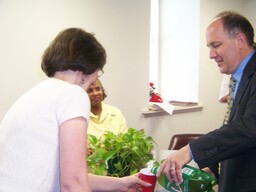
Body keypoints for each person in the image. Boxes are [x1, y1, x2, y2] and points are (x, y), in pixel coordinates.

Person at [0, 28, 150, 192]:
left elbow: (69, 175)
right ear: (88, 66)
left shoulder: (39, 93)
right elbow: (72, 183)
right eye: (98, 71)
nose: (96, 79)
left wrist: (119, 183)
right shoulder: (73, 94)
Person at [156, 11, 256, 192]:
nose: (211, 54)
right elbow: (233, 129)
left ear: (240, 40)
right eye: (209, 46)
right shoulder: (238, 78)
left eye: (216, 45)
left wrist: (189, 150)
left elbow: (249, 127)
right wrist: (216, 170)